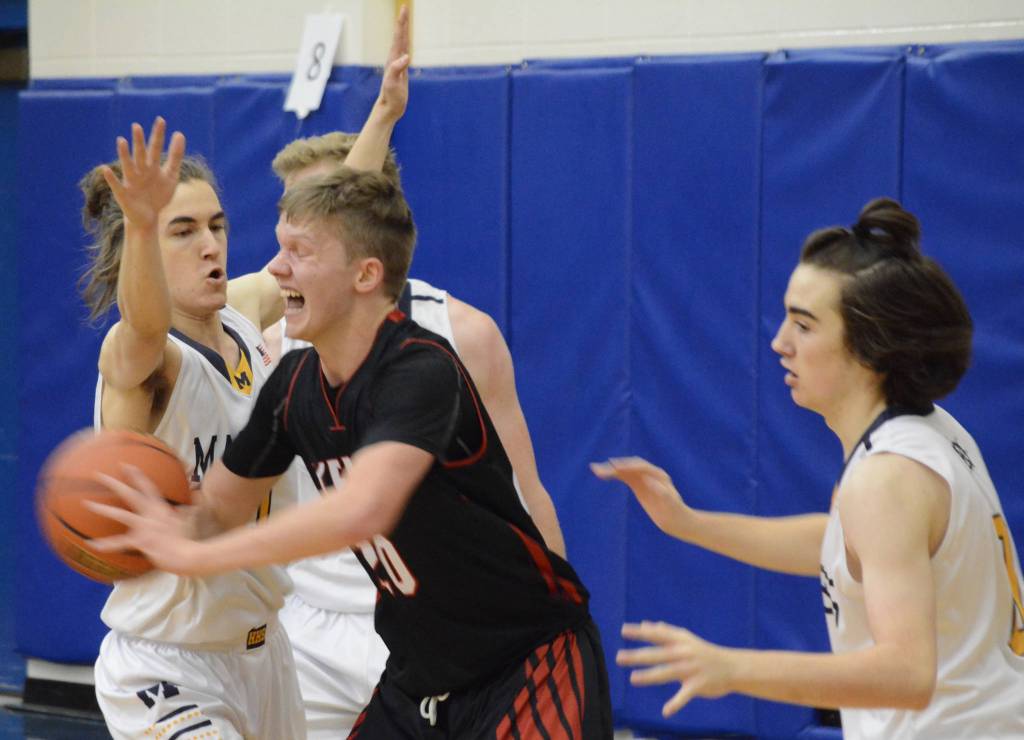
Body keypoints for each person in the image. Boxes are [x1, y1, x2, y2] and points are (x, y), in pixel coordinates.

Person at [90, 161, 613, 737]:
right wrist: (161, 532)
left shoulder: (423, 369)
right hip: (411, 676)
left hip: (521, 660)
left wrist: (195, 553)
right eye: (185, 229)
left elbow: (361, 510)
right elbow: (215, 509)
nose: (275, 267)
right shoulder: (292, 387)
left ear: (364, 276)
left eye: (297, 252)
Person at [78, 12, 411, 738]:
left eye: (218, 226)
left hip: (265, 656)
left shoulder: (243, 314)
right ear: (142, 245)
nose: (210, 245)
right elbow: (139, 325)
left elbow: (330, 228)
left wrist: (382, 116)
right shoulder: (139, 358)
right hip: (166, 664)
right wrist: (138, 223)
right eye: (183, 229)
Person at [593, 198, 1024, 738]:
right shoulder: (932, 431)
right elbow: (854, 547)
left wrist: (732, 668)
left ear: (871, 345)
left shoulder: (886, 477)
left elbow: (907, 674)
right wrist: (689, 523)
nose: (779, 343)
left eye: (804, 325)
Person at [264, 131, 568, 737]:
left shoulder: (463, 334)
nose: (291, 249)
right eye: (287, 219)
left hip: (438, 630)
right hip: (309, 635)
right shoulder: (274, 350)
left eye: (317, 216)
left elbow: (525, 491)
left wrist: (561, 628)